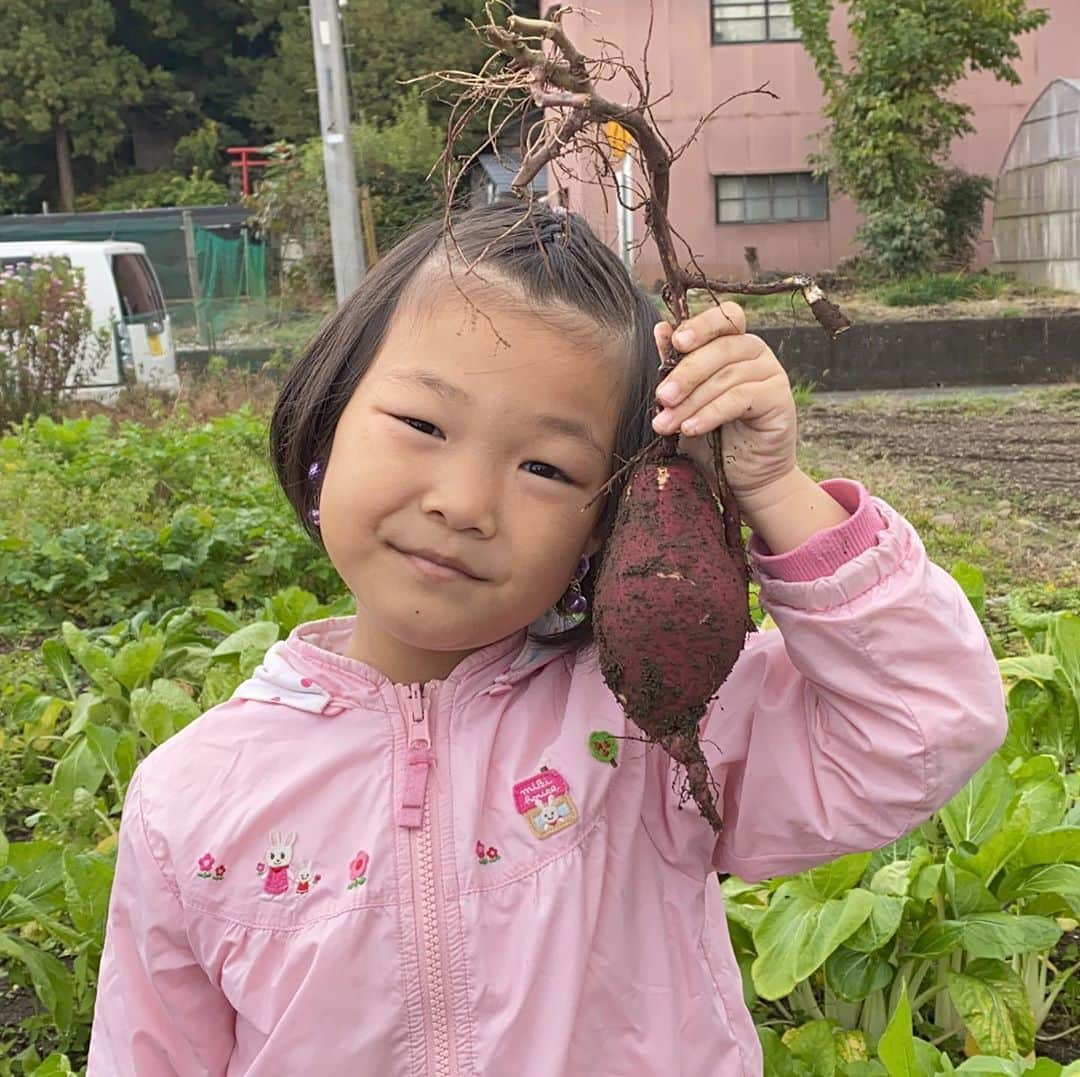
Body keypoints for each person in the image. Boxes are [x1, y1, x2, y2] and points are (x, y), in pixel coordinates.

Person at [88, 201, 1006, 1076]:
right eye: (421, 423)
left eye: (544, 466)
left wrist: (771, 487)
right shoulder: (192, 799)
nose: (463, 502)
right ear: (328, 415)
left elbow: (925, 723)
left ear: (604, 523)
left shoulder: (650, 729)